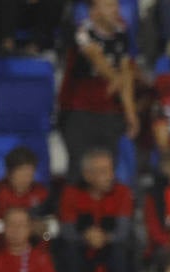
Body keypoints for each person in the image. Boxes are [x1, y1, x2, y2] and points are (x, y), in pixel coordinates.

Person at [58, 0, 139, 182]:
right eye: (109, 5)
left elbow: (126, 72)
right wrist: (117, 78)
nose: (115, 10)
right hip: (77, 110)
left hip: (110, 111)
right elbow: (97, 59)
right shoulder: (81, 32)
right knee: (79, 167)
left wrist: (130, 113)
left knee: (108, 167)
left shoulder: (122, 35)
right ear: (94, 11)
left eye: (116, 5)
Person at [57, 146, 135, 272]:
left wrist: (105, 238)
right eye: (103, 172)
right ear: (87, 175)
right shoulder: (71, 193)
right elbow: (67, 230)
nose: (109, 176)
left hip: (111, 244)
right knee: (65, 248)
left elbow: (123, 231)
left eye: (111, 170)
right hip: (80, 244)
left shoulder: (123, 192)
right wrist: (86, 237)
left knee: (124, 248)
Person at [0, 145, 50, 248]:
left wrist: (44, 232)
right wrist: (20, 228)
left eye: (29, 175)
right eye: (21, 174)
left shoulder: (40, 192)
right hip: (1, 244)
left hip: (34, 244)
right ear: (8, 173)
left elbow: (48, 227)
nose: (25, 179)